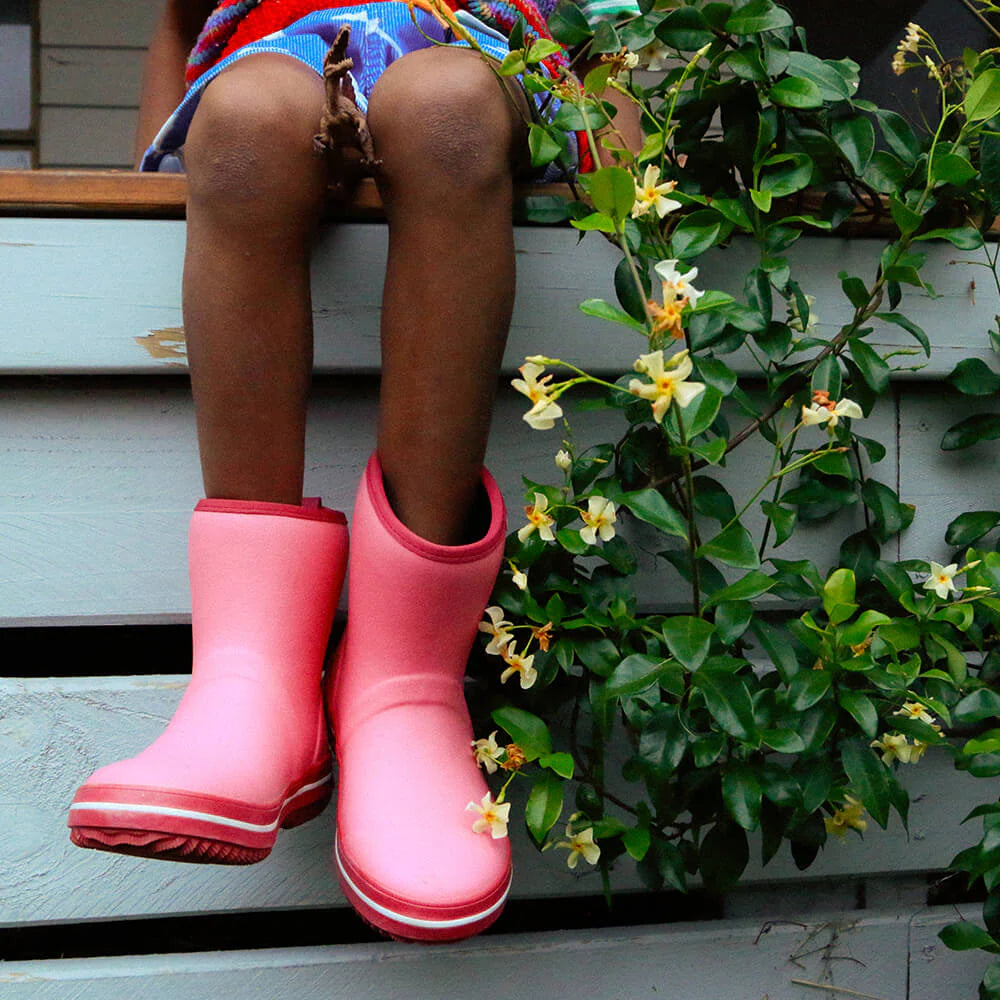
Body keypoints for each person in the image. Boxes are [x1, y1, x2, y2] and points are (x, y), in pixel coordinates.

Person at [67, 0, 640, 942]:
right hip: (279, 56)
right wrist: (158, 194)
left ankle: (404, 683)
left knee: (445, 102)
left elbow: (611, 21)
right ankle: (249, 684)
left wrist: (622, 194)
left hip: (479, 51)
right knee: (247, 121)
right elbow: (176, 19)